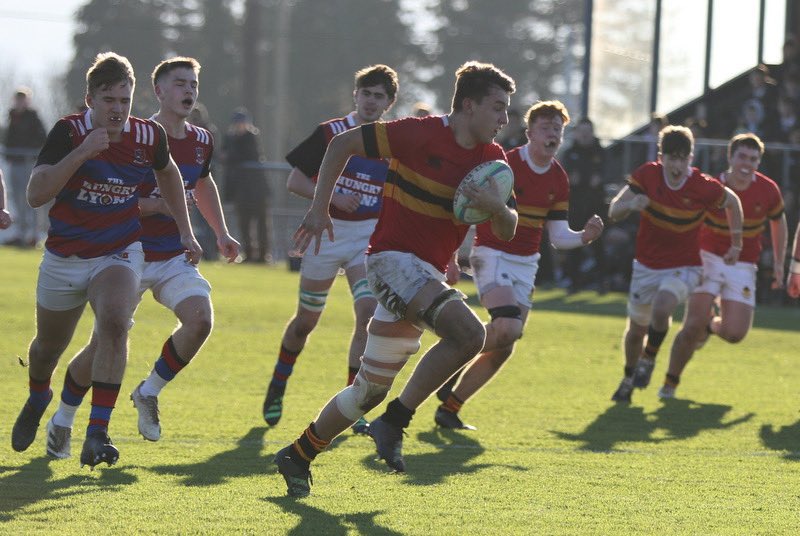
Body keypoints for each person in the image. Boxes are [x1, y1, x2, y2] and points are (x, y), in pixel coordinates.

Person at [273, 61, 517, 497]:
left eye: (507, 110)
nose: (504, 119)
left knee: (367, 391)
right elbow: (341, 144)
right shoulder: (417, 133)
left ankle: (298, 453)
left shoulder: (493, 161)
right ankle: (395, 423)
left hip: (422, 275)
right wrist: (319, 207)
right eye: (498, 107)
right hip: (389, 262)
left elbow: (508, 228)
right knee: (470, 335)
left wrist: (496, 207)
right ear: (469, 104)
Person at [9, 52, 202, 468]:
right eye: (109, 100)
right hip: (65, 256)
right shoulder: (68, 131)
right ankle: (39, 394)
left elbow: (169, 174)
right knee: (47, 349)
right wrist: (81, 153)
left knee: (115, 322)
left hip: (117, 251)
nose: (117, 110)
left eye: (124, 100)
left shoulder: (149, 136)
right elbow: (36, 194)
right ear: (90, 99)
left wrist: (186, 230)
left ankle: (98, 431)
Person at [42, 57, 239, 459]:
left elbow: (201, 183)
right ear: (159, 91)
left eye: (194, 85)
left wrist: (219, 232)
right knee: (103, 347)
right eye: (180, 83)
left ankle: (148, 391)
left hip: (171, 255)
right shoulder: (135, 134)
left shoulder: (201, 139)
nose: (189, 92)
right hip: (124, 252)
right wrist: (155, 206)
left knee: (201, 319)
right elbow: (108, 196)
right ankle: (63, 417)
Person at [433, 100, 604, 430]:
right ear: (530, 133)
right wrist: (452, 256)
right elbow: (465, 209)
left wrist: (584, 237)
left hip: (527, 263)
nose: (553, 134)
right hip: (491, 254)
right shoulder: (503, 164)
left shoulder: (558, 178)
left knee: (506, 343)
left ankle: (450, 407)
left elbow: (556, 235)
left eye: (558, 128)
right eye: (546, 127)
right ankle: (454, 353)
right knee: (509, 327)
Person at [261, 65, 398, 435]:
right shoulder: (331, 132)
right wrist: (334, 195)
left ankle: (354, 404)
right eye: (366, 93)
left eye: (379, 96)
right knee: (306, 322)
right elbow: (295, 180)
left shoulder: (391, 142)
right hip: (327, 233)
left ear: (389, 103)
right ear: (355, 95)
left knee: (368, 313)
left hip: (366, 239)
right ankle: (279, 381)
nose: (371, 101)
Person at [608, 125, 743, 404]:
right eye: (672, 158)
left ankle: (649, 358)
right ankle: (629, 376)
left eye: (684, 158)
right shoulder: (646, 175)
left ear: (691, 158)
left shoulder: (702, 186)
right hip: (646, 266)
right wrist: (631, 206)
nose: (678, 165)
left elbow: (733, 202)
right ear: (661, 156)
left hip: (685, 266)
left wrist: (737, 242)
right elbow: (613, 210)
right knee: (635, 332)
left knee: (663, 305)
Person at [660, 134, 786, 398]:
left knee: (734, 333)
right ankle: (670, 384)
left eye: (753, 159)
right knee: (692, 324)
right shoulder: (711, 186)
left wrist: (778, 261)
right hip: (706, 257)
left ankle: (711, 326)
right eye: (742, 156)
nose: (747, 163)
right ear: (730, 157)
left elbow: (778, 222)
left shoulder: (768, 189)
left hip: (743, 264)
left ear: (758, 162)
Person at [561, 117, 608, 292]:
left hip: (595, 206)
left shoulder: (600, 152)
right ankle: (574, 282)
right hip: (575, 206)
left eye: (588, 132)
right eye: (582, 132)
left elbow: (600, 178)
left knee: (598, 246)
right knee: (575, 244)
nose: (585, 136)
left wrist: (583, 180)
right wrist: (584, 180)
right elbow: (569, 178)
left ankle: (603, 282)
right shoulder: (569, 153)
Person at [222, 109, 270, 263]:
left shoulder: (252, 137)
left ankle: (263, 254)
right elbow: (222, 154)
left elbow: (246, 155)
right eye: (238, 123)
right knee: (244, 222)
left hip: (256, 188)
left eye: (242, 123)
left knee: (261, 221)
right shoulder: (229, 138)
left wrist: (230, 156)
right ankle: (249, 253)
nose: (240, 126)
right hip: (240, 188)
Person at [3, 87, 46, 247]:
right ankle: (20, 234)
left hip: (29, 163)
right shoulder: (11, 116)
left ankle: (34, 235)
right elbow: (9, 139)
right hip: (15, 163)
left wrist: (29, 150)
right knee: (17, 199)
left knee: (31, 199)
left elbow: (42, 138)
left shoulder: (34, 117)